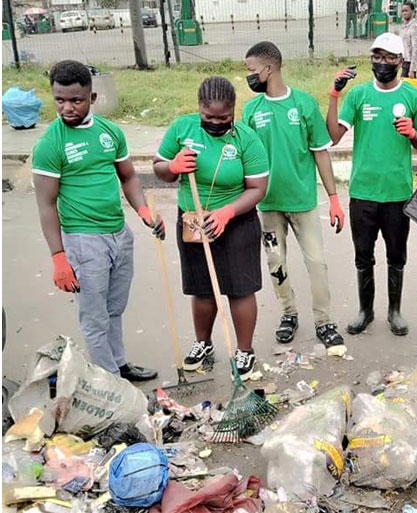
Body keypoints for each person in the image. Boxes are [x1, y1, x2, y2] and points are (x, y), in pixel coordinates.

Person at [32, 60, 161, 381]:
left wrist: (144, 212)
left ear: (93, 98)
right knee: (94, 316)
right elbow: (46, 205)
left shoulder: (110, 132)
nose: (67, 107)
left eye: (75, 100)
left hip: (119, 234)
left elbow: (128, 176)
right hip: (83, 240)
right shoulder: (50, 144)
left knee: (114, 309)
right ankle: (108, 381)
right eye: (59, 99)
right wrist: (59, 257)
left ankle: (119, 365)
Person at [153, 76, 269, 380]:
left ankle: (244, 349)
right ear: (199, 108)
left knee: (240, 288)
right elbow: (159, 168)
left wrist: (226, 213)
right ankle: (203, 344)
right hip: (194, 218)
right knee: (202, 287)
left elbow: (258, 188)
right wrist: (173, 167)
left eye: (223, 117)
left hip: (237, 219)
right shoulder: (183, 128)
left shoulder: (246, 138)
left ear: (233, 110)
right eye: (208, 117)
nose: (216, 122)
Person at [326, 32, 417, 336]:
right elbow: (333, 137)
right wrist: (334, 95)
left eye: (388, 57)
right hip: (363, 193)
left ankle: (394, 311)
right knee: (363, 256)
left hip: (398, 193)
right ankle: (366, 311)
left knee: (396, 255)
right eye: (377, 57)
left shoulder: (414, 97)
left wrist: (413, 134)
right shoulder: (358, 95)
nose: (382, 63)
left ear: (400, 60)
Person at [242, 41, 345, 348]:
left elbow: (321, 152)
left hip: (303, 202)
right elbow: (244, 160)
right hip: (268, 205)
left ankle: (324, 321)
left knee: (317, 263)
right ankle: (288, 314)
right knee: (276, 263)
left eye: (251, 70)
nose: (248, 76)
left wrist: (335, 198)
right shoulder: (251, 110)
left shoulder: (303, 104)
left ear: (268, 68)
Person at [399, 2, 417, 79]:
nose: (404, 13)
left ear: (412, 12)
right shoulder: (404, 26)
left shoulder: (413, 27)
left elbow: (416, 48)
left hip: (410, 61)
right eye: (403, 11)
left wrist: (412, 69)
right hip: (404, 60)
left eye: (406, 11)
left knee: (406, 85)